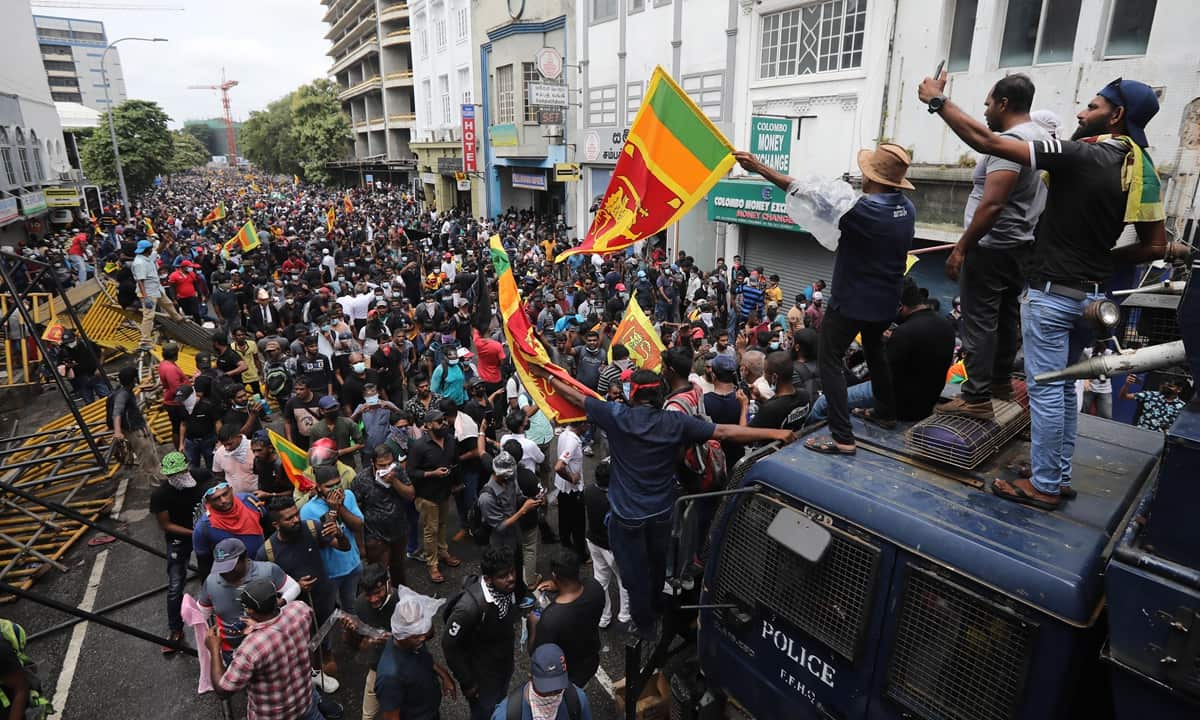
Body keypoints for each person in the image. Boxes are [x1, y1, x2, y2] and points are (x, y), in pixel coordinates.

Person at [918, 72, 1185, 509]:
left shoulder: (1084, 155)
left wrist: (937, 101)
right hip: (1090, 298)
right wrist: (1101, 262)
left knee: (1046, 389)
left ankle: (1043, 486)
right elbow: (1155, 245)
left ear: (1115, 116)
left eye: (1093, 107)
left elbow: (988, 143)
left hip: (1053, 294)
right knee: (1062, 388)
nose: (1081, 112)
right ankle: (1053, 475)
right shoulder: (1141, 166)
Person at [535, 366, 794, 639]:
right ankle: (657, 606)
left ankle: (645, 625)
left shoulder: (616, 416)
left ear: (632, 395)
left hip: (627, 520)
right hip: (661, 514)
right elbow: (726, 432)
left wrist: (547, 376)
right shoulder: (675, 423)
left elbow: (577, 397)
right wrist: (775, 434)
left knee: (633, 578)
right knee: (658, 566)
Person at [735, 144, 914, 456]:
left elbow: (804, 193)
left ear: (873, 178)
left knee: (830, 359)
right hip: (886, 301)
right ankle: (886, 411)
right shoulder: (906, 209)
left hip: (852, 301)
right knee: (875, 351)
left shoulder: (864, 212)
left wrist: (760, 168)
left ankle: (842, 436)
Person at [938, 75, 1048, 419]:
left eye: (987, 104)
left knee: (979, 322)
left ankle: (976, 397)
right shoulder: (1041, 136)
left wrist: (961, 248)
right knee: (1005, 316)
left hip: (991, 247)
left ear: (1003, 103)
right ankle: (999, 382)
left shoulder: (1012, 142)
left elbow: (992, 204)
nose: (985, 112)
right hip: (1020, 245)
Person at [809, 281, 956, 425]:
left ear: (899, 306)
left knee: (823, 403)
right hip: (925, 403)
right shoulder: (946, 326)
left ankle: (809, 433)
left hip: (899, 404)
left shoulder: (905, 332)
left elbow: (881, 376)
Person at [258, 497, 347, 692]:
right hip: (295, 610)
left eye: (296, 514)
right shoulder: (267, 552)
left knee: (324, 632)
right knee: (304, 643)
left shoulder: (312, 527)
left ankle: (325, 655)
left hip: (324, 597)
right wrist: (296, 587)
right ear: (276, 524)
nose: (296, 519)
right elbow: (268, 592)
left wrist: (340, 535)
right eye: (289, 518)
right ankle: (309, 674)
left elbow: (344, 547)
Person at [205, 577, 325, 720]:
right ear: (276, 599)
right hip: (304, 703)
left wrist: (214, 648)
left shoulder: (251, 649)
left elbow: (223, 690)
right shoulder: (300, 609)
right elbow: (303, 640)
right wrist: (258, 626)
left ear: (249, 610)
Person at [443, 545, 522, 720]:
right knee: (485, 714)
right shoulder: (468, 609)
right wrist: (467, 682)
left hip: (502, 665)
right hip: (482, 677)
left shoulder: (506, 589)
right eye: (503, 576)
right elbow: (448, 645)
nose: (511, 579)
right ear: (487, 579)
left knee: (500, 706)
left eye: (512, 572)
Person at [150, 451, 210, 653]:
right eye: (172, 475)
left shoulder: (201, 476)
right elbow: (166, 525)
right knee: (176, 585)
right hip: (181, 539)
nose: (178, 477)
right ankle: (175, 629)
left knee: (212, 576)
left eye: (181, 472)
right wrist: (194, 533)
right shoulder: (161, 495)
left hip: (204, 532)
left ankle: (215, 617)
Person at [197, 538, 295, 657]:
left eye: (229, 567)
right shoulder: (211, 581)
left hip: (268, 645)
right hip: (231, 650)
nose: (224, 573)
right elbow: (201, 612)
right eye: (220, 568)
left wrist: (280, 603)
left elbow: (294, 587)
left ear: (244, 558)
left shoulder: (268, 570)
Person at [375, 586, 456, 720]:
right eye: (417, 636)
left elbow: (422, 658)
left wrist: (443, 674)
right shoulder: (390, 677)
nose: (423, 638)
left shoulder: (412, 640)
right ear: (400, 635)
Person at [528, 549, 605, 689]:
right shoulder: (595, 587)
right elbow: (578, 587)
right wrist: (558, 586)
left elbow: (536, 654)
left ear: (554, 575)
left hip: (566, 676)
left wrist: (533, 624)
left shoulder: (550, 619)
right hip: (590, 661)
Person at [301, 465, 366, 612]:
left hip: (353, 564)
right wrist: (332, 510)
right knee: (328, 612)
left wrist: (341, 507)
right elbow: (328, 540)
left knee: (351, 607)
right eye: (329, 486)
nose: (336, 489)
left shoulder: (348, 495)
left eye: (338, 483)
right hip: (330, 572)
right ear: (318, 488)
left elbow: (358, 525)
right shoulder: (308, 510)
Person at [407, 408, 461, 583]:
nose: (444, 423)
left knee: (443, 524)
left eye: (444, 420)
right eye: (439, 421)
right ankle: (432, 563)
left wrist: (454, 482)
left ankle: (443, 551)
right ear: (429, 426)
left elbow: (455, 462)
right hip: (427, 496)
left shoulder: (451, 441)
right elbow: (411, 471)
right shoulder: (419, 446)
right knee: (431, 530)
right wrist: (432, 473)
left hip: (444, 493)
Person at [351, 445, 415, 588]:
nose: (386, 468)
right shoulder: (361, 480)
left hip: (398, 530)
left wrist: (394, 481)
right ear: (373, 463)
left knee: (398, 567)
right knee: (378, 572)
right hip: (376, 535)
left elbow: (410, 494)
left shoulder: (397, 471)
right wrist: (361, 544)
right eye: (381, 465)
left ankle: (400, 597)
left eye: (389, 464)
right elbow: (356, 509)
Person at [583, 460, 630, 629]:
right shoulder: (617, 498)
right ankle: (624, 615)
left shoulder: (588, 491)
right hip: (613, 547)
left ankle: (604, 616)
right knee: (624, 580)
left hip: (594, 542)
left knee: (601, 580)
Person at [490, 643, 592, 720]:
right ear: (530, 678)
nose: (552, 696)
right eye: (545, 690)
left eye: (557, 689)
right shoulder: (505, 715)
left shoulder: (577, 701)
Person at [192, 483, 266, 577]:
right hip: (234, 576)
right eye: (216, 499)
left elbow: (265, 524)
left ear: (231, 490)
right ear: (208, 502)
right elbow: (204, 563)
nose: (223, 500)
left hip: (263, 565)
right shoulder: (203, 527)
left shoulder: (249, 501)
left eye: (225, 494)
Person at [352, 565, 396, 720]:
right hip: (376, 667)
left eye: (378, 593)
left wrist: (393, 639)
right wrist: (352, 634)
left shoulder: (403, 602)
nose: (373, 599)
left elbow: (425, 635)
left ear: (388, 583)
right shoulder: (359, 605)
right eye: (368, 595)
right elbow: (357, 645)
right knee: (367, 716)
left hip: (402, 666)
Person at [106, 366, 157, 481]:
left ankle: (156, 476)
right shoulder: (123, 395)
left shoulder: (122, 390)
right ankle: (154, 481)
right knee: (146, 455)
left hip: (137, 427)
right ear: (133, 380)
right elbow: (117, 412)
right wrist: (117, 431)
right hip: (135, 430)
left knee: (150, 454)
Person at [131, 238, 184, 349]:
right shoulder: (139, 263)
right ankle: (145, 340)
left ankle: (177, 318)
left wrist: (165, 240)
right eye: (151, 249)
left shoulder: (147, 257)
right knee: (149, 316)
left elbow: (158, 251)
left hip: (156, 289)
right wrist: (145, 297)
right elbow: (140, 281)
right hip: (148, 292)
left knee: (168, 303)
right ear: (147, 250)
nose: (152, 250)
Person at [749, 351, 811, 431]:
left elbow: (745, 433)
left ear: (774, 377)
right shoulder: (804, 395)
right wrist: (761, 397)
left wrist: (743, 406)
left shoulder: (768, 409)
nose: (764, 376)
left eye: (765, 372)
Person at [553, 419, 586, 562]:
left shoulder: (564, 433)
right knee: (578, 524)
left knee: (564, 519)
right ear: (581, 424)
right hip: (572, 489)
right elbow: (559, 466)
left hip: (562, 487)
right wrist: (571, 477)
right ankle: (580, 554)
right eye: (587, 423)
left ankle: (566, 546)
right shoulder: (573, 441)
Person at [310, 395, 365, 471]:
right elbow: (313, 452)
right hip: (326, 468)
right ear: (322, 411)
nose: (333, 410)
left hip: (347, 466)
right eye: (329, 409)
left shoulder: (347, 423)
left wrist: (341, 452)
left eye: (335, 407)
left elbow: (361, 444)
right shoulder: (316, 429)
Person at [56, 327, 109, 404]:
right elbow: (60, 368)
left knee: (106, 397)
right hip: (80, 379)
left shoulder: (87, 344)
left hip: (95, 374)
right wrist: (68, 367)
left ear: (76, 338)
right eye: (67, 343)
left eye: (71, 341)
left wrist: (99, 368)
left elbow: (101, 354)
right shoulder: (63, 351)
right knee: (89, 402)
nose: (70, 344)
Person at [1120, 375, 1187, 432]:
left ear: (1179, 389)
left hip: (1160, 439)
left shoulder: (1182, 407)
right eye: (1165, 385)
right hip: (1141, 432)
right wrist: (1127, 384)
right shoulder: (1151, 395)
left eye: (1170, 386)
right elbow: (1124, 396)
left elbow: (1181, 428)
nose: (1167, 388)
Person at [158, 343, 189, 447]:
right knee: (180, 427)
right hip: (175, 403)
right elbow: (176, 389)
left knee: (177, 427)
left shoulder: (164, 364)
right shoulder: (170, 369)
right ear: (175, 354)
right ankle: (182, 449)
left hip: (171, 401)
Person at [212, 424, 258, 494]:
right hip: (234, 497)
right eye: (224, 445)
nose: (227, 448)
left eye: (230, 444)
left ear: (239, 436)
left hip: (257, 495)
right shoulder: (219, 453)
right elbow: (218, 474)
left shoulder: (255, 449)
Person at [284, 377, 324, 450]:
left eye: (301, 389)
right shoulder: (291, 403)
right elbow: (287, 422)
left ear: (309, 389)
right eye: (296, 389)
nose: (298, 392)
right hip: (301, 440)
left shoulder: (320, 400)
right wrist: (290, 440)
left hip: (320, 439)